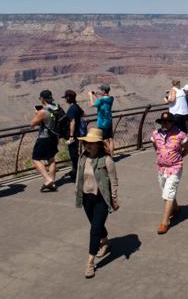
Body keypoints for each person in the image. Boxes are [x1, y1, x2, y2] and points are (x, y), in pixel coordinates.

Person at [75, 127, 119, 279]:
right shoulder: (83, 158)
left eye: (92, 143)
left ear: (99, 144)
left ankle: (90, 263)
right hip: (87, 198)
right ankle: (105, 241)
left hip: (101, 199)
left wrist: (114, 199)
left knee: (94, 230)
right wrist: (77, 191)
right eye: (87, 142)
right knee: (96, 224)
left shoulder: (107, 160)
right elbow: (79, 177)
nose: (88, 145)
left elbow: (113, 181)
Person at [151, 111, 188, 235]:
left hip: (175, 168)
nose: (165, 124)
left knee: (168, 194)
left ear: (172, 122)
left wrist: (179, 157)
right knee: (166, 191)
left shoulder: (180, 134)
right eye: (163, 121)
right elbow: (155, 146)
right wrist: (161, 156)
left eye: (168, 121)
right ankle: (176, 208)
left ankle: (164, 223)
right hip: (161, 168)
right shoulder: (156, 134)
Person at [29, 90, 61, 192]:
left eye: (40, 98)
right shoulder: (56, 107)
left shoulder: (43, 111)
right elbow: (49, 121)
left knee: (36, 159)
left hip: (44, 138)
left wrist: (37, 114)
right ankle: (52, 182)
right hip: (54, 137)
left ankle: (47, 180)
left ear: (42, 99)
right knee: (51, 159)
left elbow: (32, 124)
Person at [64, 89, 85, 181]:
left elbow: (72, 122)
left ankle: (76, 173)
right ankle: (75, 171)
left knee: (73, 154)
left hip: (74, 135)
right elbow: (82, 114)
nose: (65, 99)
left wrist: (71, 136)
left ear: (68, 98)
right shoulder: (77, 106)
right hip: (78, 133)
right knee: (75, 153)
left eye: (65, 97)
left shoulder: (72, 108)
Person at [90, 84, 115, 155]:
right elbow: (104, 97)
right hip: (109, 121)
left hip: (102, 123)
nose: (100, 91)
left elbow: (92, 105)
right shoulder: (111, 98)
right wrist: (96, 93)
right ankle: (111, 155)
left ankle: (108, 155)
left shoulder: (101, 100)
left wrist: (90, 96)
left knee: (105, 140)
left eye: (101, 90)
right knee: (111, 139)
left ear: (104, 91)